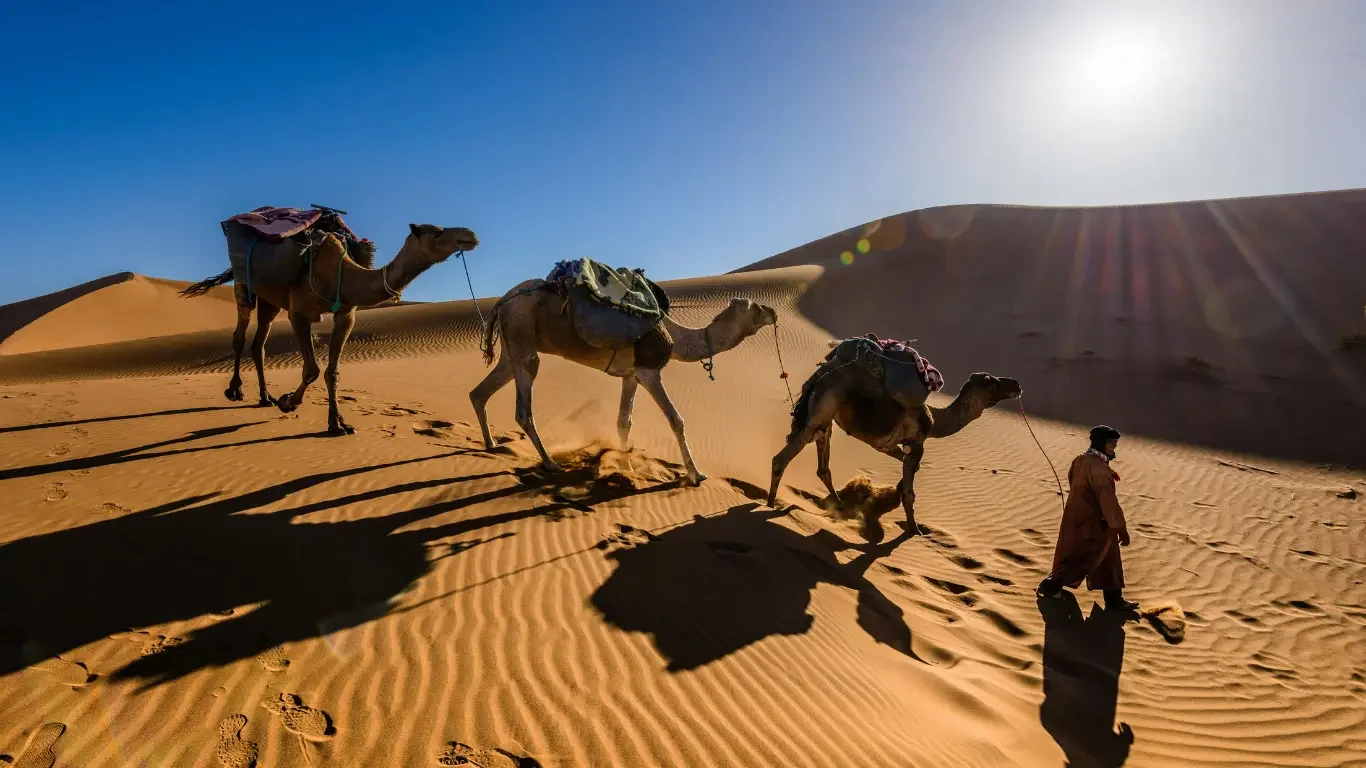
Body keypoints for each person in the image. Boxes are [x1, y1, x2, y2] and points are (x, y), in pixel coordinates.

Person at [1037, 425, 1138, 611]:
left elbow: (1073, 481)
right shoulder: (1099, 469)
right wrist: (1121, 529)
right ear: (1101, 443)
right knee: (1084, 557)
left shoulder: (1081, 460)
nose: (1114, 446)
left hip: (1080, 518)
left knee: (1109, 559)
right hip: (1093, 524)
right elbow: (1108, 501)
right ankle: (1051, 586)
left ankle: (1115, 600)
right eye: (1111, 443)